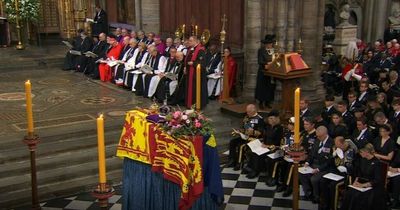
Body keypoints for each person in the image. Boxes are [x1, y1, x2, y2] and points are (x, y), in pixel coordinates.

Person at [340, 144, 386, 210]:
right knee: (349, 192)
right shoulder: (362, 160)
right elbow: (359, 174)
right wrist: (355, 182)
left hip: (373, 186)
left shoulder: (377, 163)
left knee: (358, 195)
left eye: (361, 152)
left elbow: (377, 180)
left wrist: (363, 185)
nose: (360, 153)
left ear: (367, 152)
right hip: (363, 183)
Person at [299, 126, 334, 203]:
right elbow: (312, 153)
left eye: (320, 136)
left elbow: (330, 161)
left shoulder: (331, 143)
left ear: (325, 134)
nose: (318, 137)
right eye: (317, 136)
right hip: (314, 163)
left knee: (314, 179)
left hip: (324, 167)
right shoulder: (317, 140)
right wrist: (307, 162)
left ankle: (316, 197)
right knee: (301, 173)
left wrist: (318, 169)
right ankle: (308, 193)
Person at [245, 110, 283, 179]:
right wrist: (262, 142)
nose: (270, 120)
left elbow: (277, 141)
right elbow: (264, 136)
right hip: (264, 145)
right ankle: (251, 168)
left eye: (272, 118)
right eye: (269, 118)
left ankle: (255, 171)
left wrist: (267, 146)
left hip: (273, 147)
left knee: (259, 154)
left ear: (276, 119)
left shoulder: (279, 128)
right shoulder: (267, 126)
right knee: (254, 151)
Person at [225, 104, 265, 170]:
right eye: (247, 111)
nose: (247, 113)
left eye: (249, 111)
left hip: (253, 139)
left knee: (241, 146)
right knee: (232, 142)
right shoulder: (246, 117)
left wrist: (253, 132)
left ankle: (239, 163)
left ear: (254, 110)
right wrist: (239, 131)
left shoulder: (259, 119)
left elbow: (261, 133)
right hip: (244, 136)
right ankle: (232, 160)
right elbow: (244, 127)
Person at [320, 136, 355, 210]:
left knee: (333, 185)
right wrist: (333, 156)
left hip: (345, 174)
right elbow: (329, 162)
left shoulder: (350, 150)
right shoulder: (335, 148)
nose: (336, 146)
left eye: (338, 145)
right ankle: (325, 204)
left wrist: (345, 165)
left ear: (343, 144)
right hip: (335, 171)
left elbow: (351, 165)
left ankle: (333, 206)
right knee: (323, 181)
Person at [184, 36, 208, 109]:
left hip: (197, 75)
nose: (189, 42)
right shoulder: (191, 49)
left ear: (196, 41)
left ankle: (196, 104)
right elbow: (187, 58)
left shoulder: (201, 50)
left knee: (196, 89)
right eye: (189, 40)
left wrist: (193, 63)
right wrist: (185, 67)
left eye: (191, 41)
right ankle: (189, 103)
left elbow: (202, 62)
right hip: (190, 72)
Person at [255, 34, 276, 109]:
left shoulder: (274, 51)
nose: (270, 45)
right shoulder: (261, 50)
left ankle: (268, 102)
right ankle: (261, 103)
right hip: (263, 72)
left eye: (271, 43)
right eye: (268, 43)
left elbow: (277, 60)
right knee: (262, 87)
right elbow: (260, 61)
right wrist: (268, 63)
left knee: (270, 87)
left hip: (272, 72)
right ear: (266, 44)